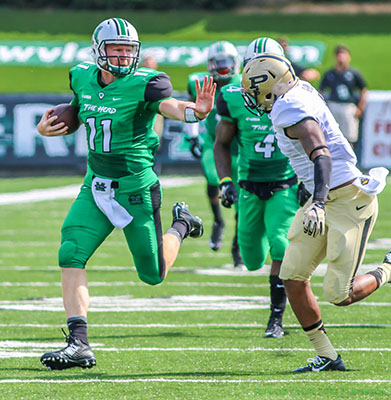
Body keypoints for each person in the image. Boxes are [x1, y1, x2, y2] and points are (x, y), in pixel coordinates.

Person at [36, 17, 216, 371]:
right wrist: (48, 128)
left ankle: (180, 224)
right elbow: (77, 109)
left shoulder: (148, 83)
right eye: (115, 49)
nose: (122, 56)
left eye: (128, 50)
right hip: (96, 183)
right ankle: (79, 342)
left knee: (153, 273)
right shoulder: (81, 75)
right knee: (71, 250)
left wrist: (196, 112)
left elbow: (173, 107)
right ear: (98, 51)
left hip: (135, 187)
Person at [241, 53, 390, 372]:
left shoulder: (288, 109)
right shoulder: (298, 91)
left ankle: (389, 268)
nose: (252, 99)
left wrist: (318, 201)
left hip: (349, 199)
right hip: (321, 197)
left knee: (341, 293)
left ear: (267, 88)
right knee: (292, 276)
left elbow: (321, 155)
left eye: (254, 91)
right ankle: (327, 356)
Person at [214, 37, 300, 338]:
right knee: (251, 259)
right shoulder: (231, 97)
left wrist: (308, 182)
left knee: (281, 243)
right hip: (249, 186)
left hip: (284, 184)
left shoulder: (297, 95)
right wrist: (225, 181)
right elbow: (221, 144)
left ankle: (276, 319)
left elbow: (314, 141)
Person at [186, 41, 243, 267]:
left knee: (243, 199)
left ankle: (237, 246)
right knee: (213, 176)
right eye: (217, 63)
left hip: (241, 147)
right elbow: (191, 106)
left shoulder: (245, 83)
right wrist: (192, 136)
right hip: (213, 142)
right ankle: (218, 220)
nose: (222, 68)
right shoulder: (199, 81)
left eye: (226, 63)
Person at [319, 44, 367, 148]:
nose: (341, 58)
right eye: (339, 55)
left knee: (349, 137)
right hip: (333, 105)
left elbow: (363, 89)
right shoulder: (329, 74)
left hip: (348, 106)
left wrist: (361, 107)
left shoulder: (353, 73)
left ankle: (349, 161)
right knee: (331, 136)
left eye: (344, 55)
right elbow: (321, 91)